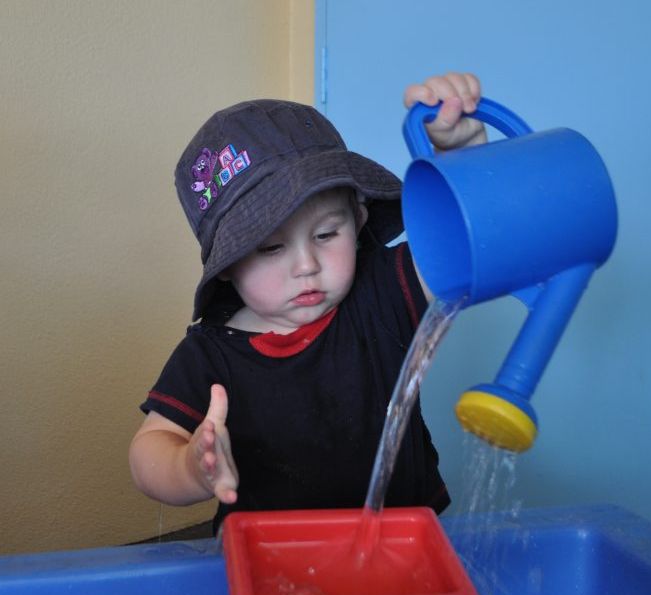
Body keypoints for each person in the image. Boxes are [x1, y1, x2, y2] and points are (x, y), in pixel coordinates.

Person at [129, 73, 484, 532]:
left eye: (326, 234)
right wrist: (192, 468)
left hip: (400, 550)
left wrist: (462, 156)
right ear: (228, 265)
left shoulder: (382, 292)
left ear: (357, 221)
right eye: (271, 248)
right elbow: (149, 450)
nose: (306, 265)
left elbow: (466, 240)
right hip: (269, 568)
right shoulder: (210, 354)